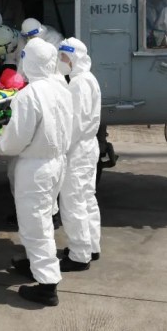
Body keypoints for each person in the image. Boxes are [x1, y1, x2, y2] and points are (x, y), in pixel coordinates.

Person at [0, 38, 73, 307]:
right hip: (57, 163)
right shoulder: (61, 89)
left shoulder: (29, 95)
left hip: (36, 167)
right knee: (44, 219)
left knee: (34, 225)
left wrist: (1, 140)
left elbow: (15, 140)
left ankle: (47, 286)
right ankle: (35, 264)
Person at [56, 38, 103, 272]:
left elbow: (75, 123)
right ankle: (91, 246)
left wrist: (60, 147)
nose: (60, 61)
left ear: (74, 58)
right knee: (86, 198)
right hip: (87, 146)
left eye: (63, 57)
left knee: (72, 201)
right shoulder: (87, 78)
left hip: (77, 148)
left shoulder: (78, 84)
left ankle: (79, 255)